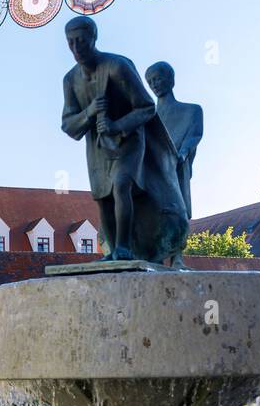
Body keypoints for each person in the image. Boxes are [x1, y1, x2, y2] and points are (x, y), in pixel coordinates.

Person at [60, 16, 188, 265]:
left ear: (93, 39)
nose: (77, 48)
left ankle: (123, 247)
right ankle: (113, 253)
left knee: (120, 185)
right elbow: (68, 125)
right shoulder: (70, 80)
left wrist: (117, 125)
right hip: (97, 146)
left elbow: (146, 107)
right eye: (71, 43)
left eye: (82, 41)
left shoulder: (117, 66)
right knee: (102, 196)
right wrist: (89, 112)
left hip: (129, 140)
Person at [145, 62, 203, 220]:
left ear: (171, 80)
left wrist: (182, 154)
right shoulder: (148, 118)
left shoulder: (192, 110)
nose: (154, 85)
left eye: (157, 79)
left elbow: (194, 136)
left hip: (174, 169)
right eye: (150, 82)